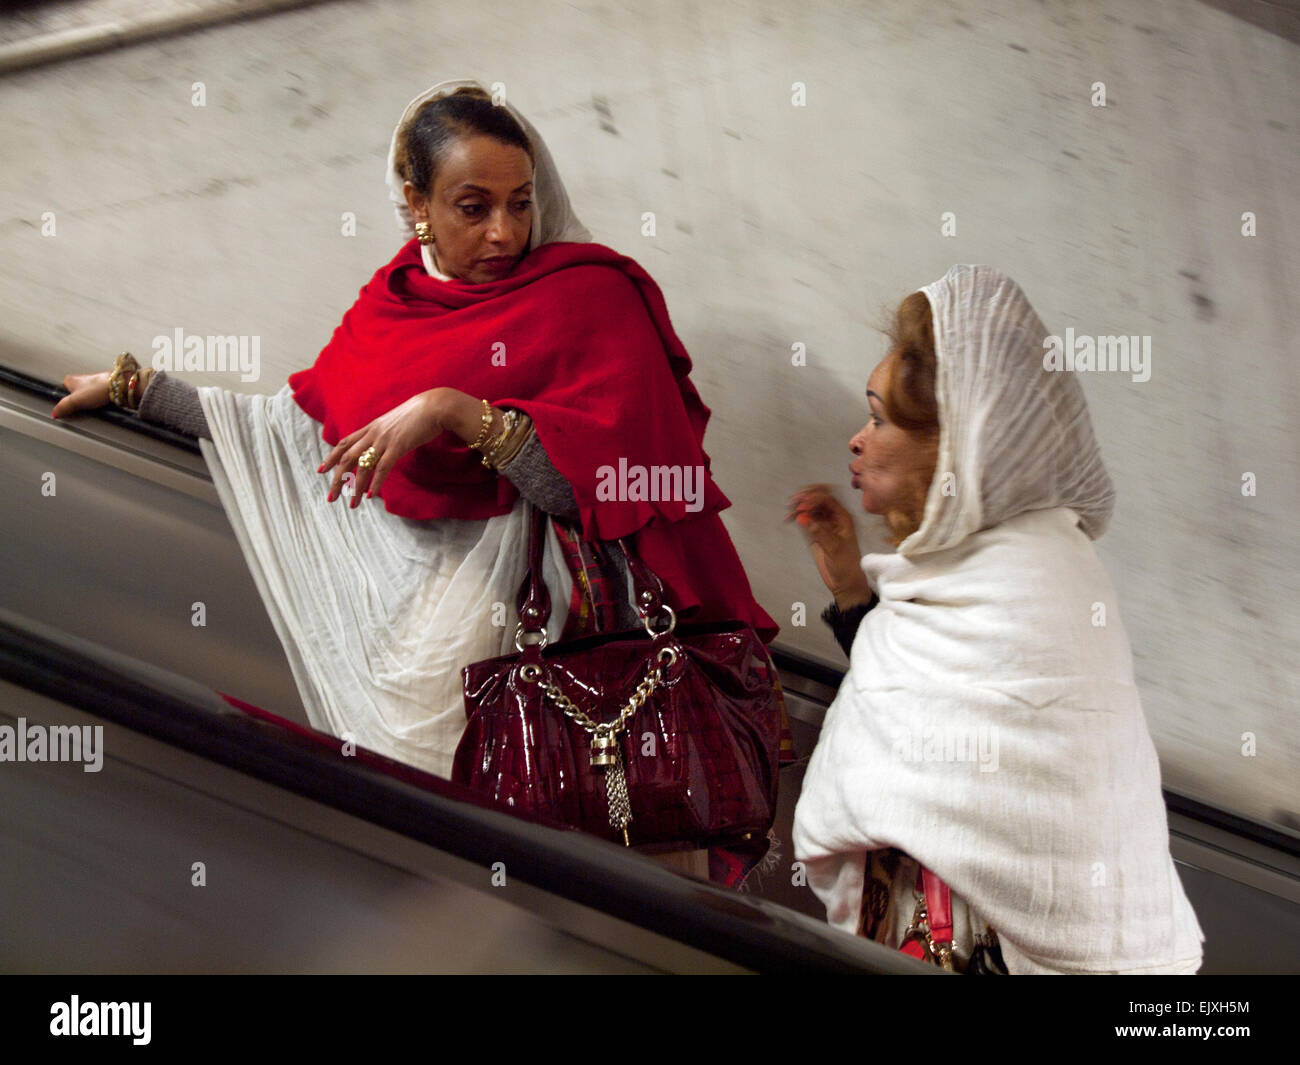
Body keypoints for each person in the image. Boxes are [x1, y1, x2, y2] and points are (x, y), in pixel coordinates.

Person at [52, 80, 778, 807]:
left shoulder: (588, 296)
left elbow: (590, 488)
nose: (503, 231)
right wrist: (139, 389)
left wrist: (452, 410)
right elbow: (297, 427)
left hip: (569, 664)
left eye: (520, 203)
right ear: (416, 206)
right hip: (428, 653)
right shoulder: (390, 304)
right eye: (474, 208)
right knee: (431, 851)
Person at [788, 265, 1204, 974]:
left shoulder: (1033, 583)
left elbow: (957, 775)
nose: (857, 440)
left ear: (956, 445)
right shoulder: (982, 568)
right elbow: (928, 720)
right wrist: (854, 591)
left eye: (880, 418)